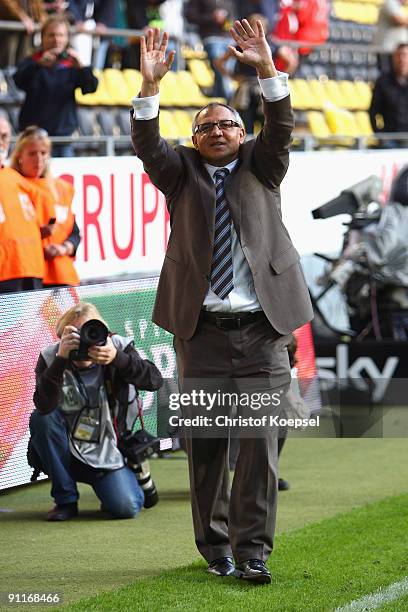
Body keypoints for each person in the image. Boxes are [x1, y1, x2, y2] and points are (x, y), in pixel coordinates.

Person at [131, 22, 313, 583]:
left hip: (263, 331)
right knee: (207, 449)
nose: (216, 130)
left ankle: (253, 551)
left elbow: (279, 123)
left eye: (226, 123)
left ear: (242, 131)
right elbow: (146, 142)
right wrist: (149, 85)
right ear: (194, 138)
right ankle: (216, 550)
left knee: (257, 449)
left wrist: (265, 68)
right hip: (201, 332)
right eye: (205, 126)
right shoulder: (178, 172)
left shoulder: (265, 162)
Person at [30, 302, 163, 521]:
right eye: (74, 334)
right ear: (61, 336)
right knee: (42, 419)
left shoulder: (117, 347)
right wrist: (61, 360)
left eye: (89, 332)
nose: (83, 342)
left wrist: (118, 359)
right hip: (67, 450)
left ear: (103, 332)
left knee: (126, 507)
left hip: (108, 449)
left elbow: (155, 380)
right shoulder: (51, 356)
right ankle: (66, 500)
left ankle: (130, 474)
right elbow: (43, 405)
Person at [13, 14, 98, 157]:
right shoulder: (32, 61)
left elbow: (91, 87)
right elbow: (18, 81)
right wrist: (38, 65)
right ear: (42, 37)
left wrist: (82, 67)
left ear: (67, 38)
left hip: (62, 137)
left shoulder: (72, 65)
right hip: (34, 137)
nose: (56, 40)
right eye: (51, 35)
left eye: (60, 35)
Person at [10, 126, 81, 287]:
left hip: (61, 275)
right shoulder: (11, 186)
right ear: (19, 155)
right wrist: (37, 235)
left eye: (43, 153)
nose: (39, 159)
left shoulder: (60, 189)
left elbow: (74, 233)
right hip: (28, 276)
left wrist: (64, 248)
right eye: (32, 153)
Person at [185, 0, 237, 99]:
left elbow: (232, 19)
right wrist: (212, 17)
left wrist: (227, 22)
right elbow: (190, 17)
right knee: (220, 69)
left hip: (229, 38)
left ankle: (220, 100)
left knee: (228, 70)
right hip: (211, 37)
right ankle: (229, 99)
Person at [369, 43, 408, 148]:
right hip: (390, 138)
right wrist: (379, 134)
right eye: (399, 55)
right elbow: (373, 111)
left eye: (405, 55)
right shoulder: (383, 82)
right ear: (394, 58)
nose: (402, 59)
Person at [373, 0, 408, 72]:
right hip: (387, 50)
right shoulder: (390, 2)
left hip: (394, 51)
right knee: (387, 75)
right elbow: (398, 20)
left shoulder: (398, 7)